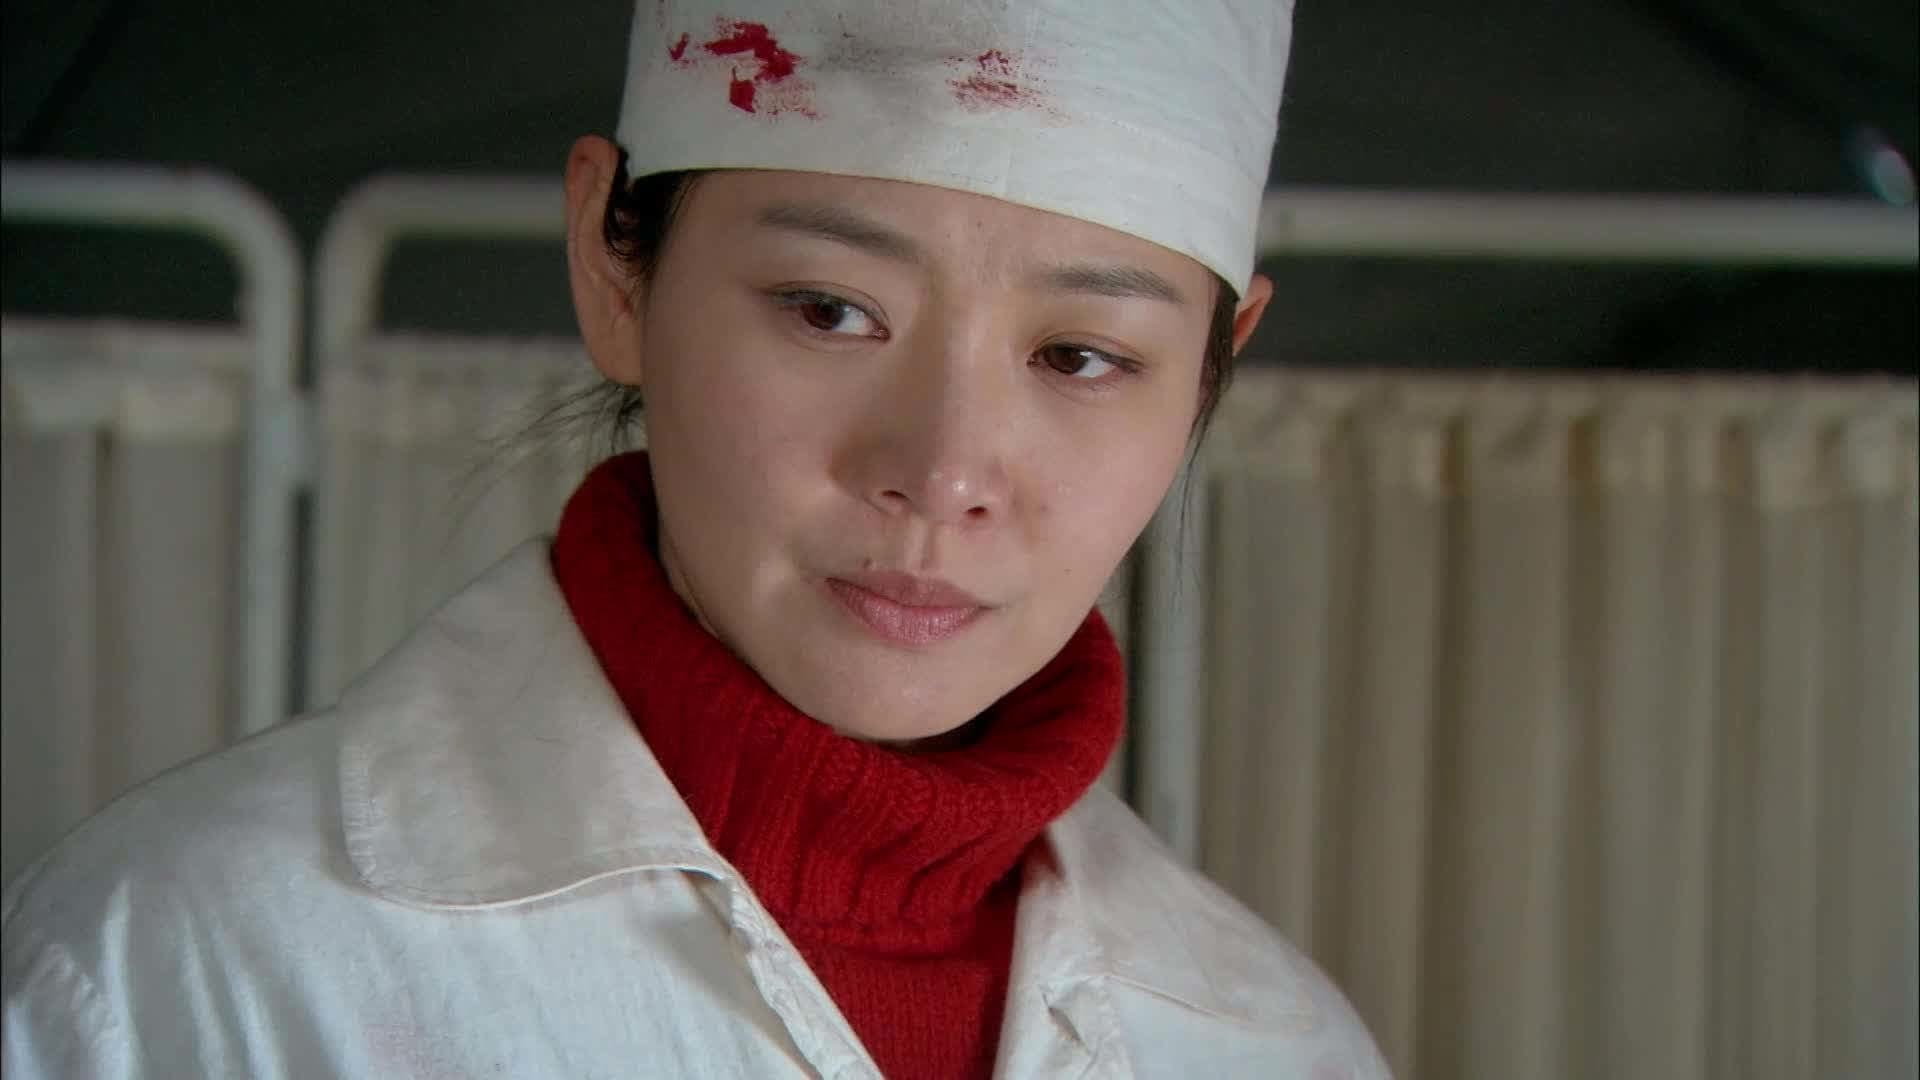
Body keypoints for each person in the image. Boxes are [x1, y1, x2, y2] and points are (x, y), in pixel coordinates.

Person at [3, 1, 1390, 1076]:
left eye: (1082, 355)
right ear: (615, 266)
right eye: (830, 310)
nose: (942, 474)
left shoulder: (1277, 1046)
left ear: (1213, 371)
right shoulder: (178, 967)